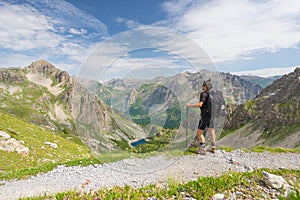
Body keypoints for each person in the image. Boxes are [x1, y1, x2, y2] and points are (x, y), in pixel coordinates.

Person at [186, 80, 216, 155]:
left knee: (199, 132)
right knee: (211, 131)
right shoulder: (212, 94)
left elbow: (200, 104)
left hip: (205, 116)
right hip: (212, 115)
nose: (202, 86)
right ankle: (213, 147)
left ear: (205, 86)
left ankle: (202, 149)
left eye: (203, 85)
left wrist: (189, 105)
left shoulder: (203, 94)